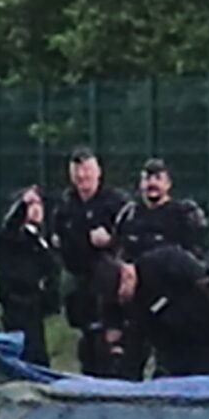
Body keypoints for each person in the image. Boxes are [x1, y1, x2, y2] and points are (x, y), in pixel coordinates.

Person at [94, 244, 209, 380]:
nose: (122, 301)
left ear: (126, 275)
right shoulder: (133, 303)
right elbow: (137, 342)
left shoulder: (166, 261)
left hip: (207, 339)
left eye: (121, 294)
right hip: (172, 355)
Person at [51, 148, 130, 376]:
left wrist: (111, 240)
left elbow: (132, 235)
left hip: (109, 282)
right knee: (88, 342)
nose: (82, 177)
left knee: (111, 342)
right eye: (77, 172)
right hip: (79, 281)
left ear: (98, 172)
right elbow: (59, 238)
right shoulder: (66, 206)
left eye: (87, 170)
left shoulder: (115, 202)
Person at [0, 184, 60, 367]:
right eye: (31, 205)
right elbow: (9, 231)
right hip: (17, 303)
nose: (36, 209)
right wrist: (21, 207)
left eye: (38, 204)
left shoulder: (41, 238)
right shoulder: (12, 239)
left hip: (35, 306)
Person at [117, 159, 209, 260]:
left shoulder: (182, 214)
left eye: (158, 178)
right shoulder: (130, 214)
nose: (152, 183)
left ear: (168, 184)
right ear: (140, 184)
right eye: (147, 178)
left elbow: (197, 254)